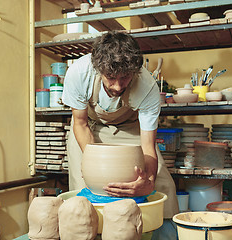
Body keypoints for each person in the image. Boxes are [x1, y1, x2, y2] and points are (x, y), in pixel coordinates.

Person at [62, 31, 179, 239]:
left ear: (134, 71)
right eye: (111, 78)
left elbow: (148, 146)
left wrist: (148, 181)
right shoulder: (79, 73)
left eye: (124, 78)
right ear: (98, 69)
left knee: (162, 184)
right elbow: (79, 123)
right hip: (90, 126)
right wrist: (92, 163)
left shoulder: (147, 86)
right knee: (88, 188)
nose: (117, 86)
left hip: (130, 127)